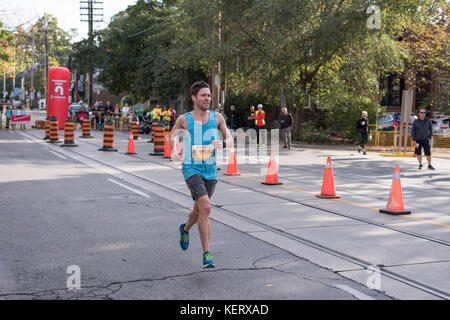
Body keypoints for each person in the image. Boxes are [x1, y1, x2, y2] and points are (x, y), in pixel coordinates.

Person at [169, 81, 233, 269]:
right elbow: (172, 136)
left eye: (209, 96)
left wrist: (224, 143)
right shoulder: (184, 119)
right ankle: (207, 253)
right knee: (206, 207)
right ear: (194, 98)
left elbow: (229, 138)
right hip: (191, 168)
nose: (207, 99)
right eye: (203, 95)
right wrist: (175, 151)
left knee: (198, 210)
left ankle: (185, 228)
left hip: (210, 171)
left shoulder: (217, 117)